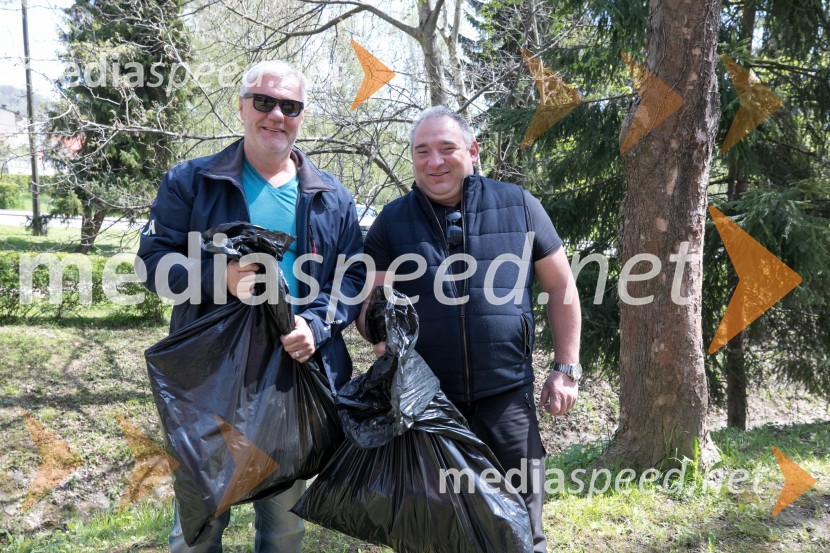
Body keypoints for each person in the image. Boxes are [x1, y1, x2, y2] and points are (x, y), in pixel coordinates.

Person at [137, 60, 365, 552]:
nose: (276, 115)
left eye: (290, 106)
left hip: (291, 378)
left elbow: (352, 276)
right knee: (199, 525)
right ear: (242, 107)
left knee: (284, 527)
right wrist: (218, 277)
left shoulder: (330, 197)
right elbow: (151, 263)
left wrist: (316, 323)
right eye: (263, 102)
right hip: (209, 380)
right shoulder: (191, 182)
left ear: (302, 116)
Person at [358, 106, 581, 553]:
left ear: (473, 151)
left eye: (446, 149)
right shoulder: (391, 221)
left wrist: (566, 367)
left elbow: (561, 287)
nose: (434, 161)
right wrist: (378, 329)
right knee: (434, 531)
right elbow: (367, 304)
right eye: (422, 151)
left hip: (507, 401)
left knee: (521, 527)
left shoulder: (518, 205)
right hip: (428, 406)